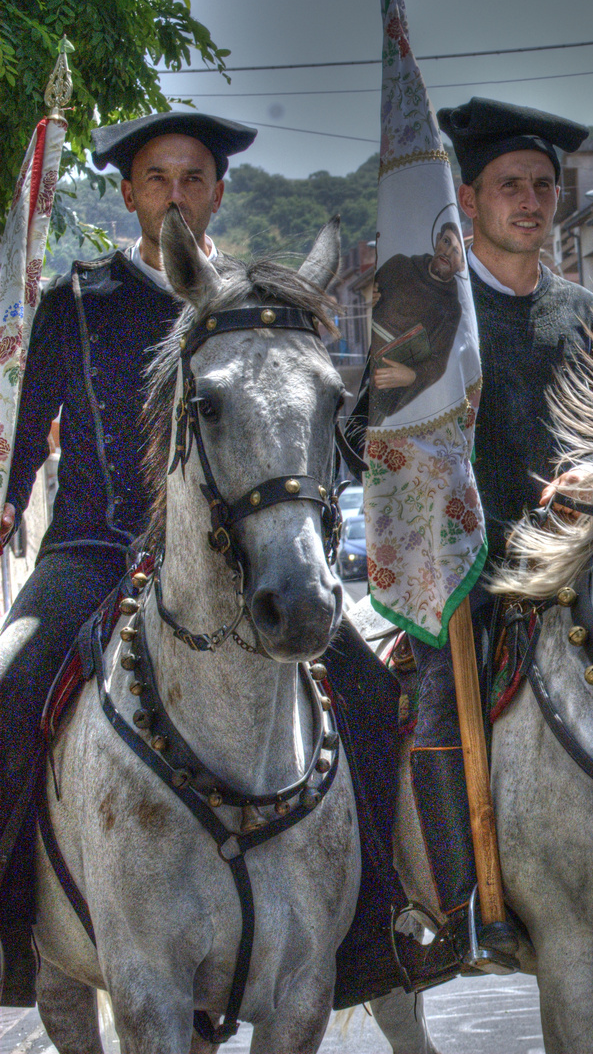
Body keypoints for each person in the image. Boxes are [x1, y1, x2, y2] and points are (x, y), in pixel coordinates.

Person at [0, 111, 413, 1006]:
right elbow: (27, 436)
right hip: (90, 551)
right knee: (11, 679)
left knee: (374, 691)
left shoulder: (254, 308)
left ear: (218, 192)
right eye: (158, 178)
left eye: (194, 179)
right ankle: (8, 926)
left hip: (232, 570)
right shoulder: (80, 302)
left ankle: (379, 929)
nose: (176, 195)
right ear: (128, 193)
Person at [354, 96, 593, 968]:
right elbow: (369, 437)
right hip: (475, 580)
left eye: (544, 185)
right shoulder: (430, 316)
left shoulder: (589, 316)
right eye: (510, 186)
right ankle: (465, 909)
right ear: (468, 201)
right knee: (433, 702)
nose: (531, 201)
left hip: (585, 574)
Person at [368, 220, 467, 418]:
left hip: (387, 385)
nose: (447, 253)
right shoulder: (399, 265)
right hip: (365, 365)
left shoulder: (451, 309)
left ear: (462, 265)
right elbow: (361, 307)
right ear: (437, 240)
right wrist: (367, 301)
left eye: (456, 251)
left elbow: (438, 363)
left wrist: (412, 375)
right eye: (446, 242)